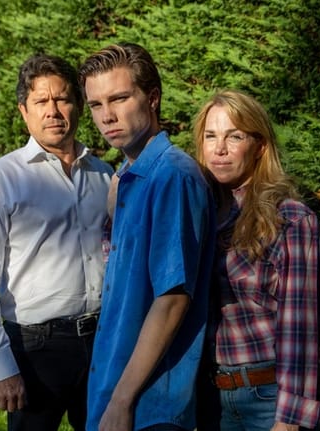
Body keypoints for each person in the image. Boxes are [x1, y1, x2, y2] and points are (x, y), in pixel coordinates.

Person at [0, 53, 113, 431]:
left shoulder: (104, 176)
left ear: (77, 105)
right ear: (24, 111)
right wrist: (0, 366)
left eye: (62, 99)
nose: (53, 111)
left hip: (102, 342)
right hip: (36, 350)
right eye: (41, 102)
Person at [79, 42, 216, 431]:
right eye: (95, 105)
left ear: (152, 98)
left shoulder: (172, 176)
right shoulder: (127, 177)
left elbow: (172, 298)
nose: (107, 116)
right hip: (115, 389)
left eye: (120, 98)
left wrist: (122, 402)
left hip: (149, 405)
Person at [192, 90, 320, 431]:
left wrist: (288, 422)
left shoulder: (290, 219)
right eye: (210, 136)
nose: (220, 149)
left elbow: (300, 327)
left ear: (260, 146)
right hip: (207, 397)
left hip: (266, 400)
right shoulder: (199, 215)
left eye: (235, 136)